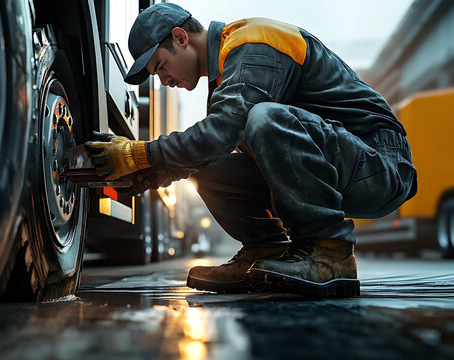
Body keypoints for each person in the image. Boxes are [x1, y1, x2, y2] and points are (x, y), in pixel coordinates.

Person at [85, 3, 417, 298]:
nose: (163, 80)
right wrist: (142, 176)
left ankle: (330, 252)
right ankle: (265, 249)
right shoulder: (225, 79)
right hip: (340, 163)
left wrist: (136, 153)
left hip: (381, 164)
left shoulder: (252, 42)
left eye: (160, 66)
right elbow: (205, 150)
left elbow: (222, 131)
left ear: (180, 38)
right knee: (209, 163)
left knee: (262, 117)